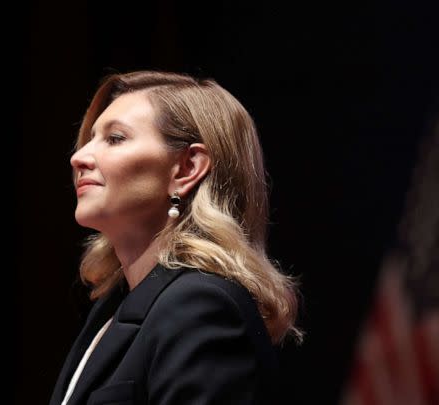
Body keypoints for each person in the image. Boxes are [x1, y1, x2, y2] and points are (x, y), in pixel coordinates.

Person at [49, 70, 303, 405]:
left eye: (115, 138)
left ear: (186, 169)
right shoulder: (113, 307)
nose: (78, 157)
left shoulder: (200, 307)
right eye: (91, 138)